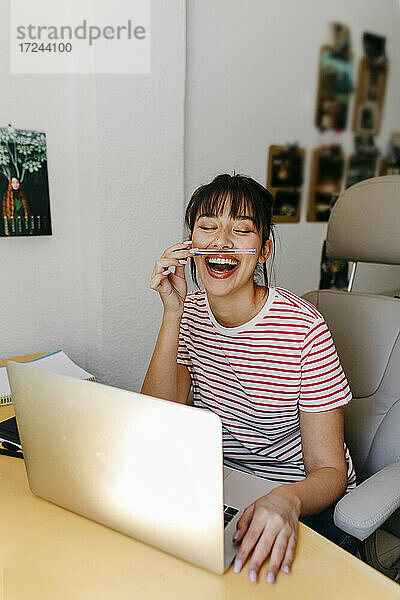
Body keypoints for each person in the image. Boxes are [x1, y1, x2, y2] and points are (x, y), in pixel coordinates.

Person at [142, 173, 357, 585]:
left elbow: (329, 469)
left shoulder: (304, 329)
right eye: (207, 228)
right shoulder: (189, 311)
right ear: (190, 245)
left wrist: (285, 500)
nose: (221, 241)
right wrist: (172, 313)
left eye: (241, 230)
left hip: (297, 495)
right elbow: (157, 419)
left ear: (263, 252)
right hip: (219, 486)